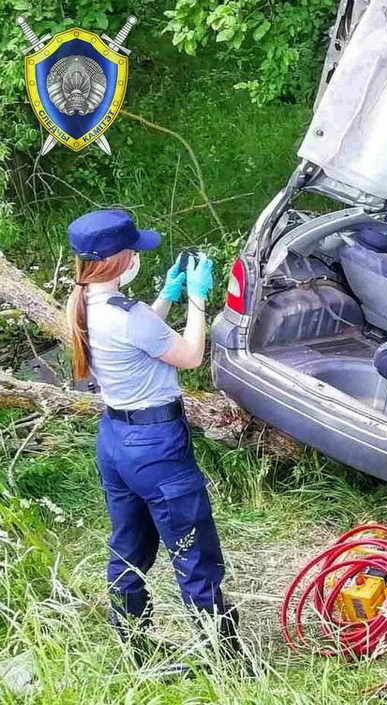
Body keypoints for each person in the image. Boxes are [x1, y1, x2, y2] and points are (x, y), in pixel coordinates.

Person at [64, 209, 241, 663]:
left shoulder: (83, 302)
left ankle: (134, 648)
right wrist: (198, 300)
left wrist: (166, 296)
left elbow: (142, 340)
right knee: (193, 551)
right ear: (119, 259)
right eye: (133, 250)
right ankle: (228, 659)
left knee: (128, 546)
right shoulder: (129, 315)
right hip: (157, 448)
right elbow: (189, 355)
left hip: (116, 441)